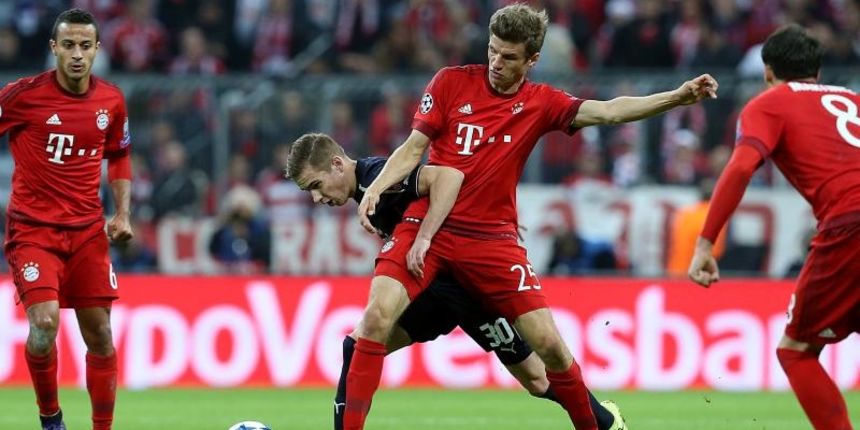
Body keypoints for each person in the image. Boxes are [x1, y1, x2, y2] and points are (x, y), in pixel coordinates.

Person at [351, 4, 717, 429]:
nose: (495, 63)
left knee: (550, 347)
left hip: (491, 240)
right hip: (428, 226)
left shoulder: (541, 103)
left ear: (532, 60)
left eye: (508, 57)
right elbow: (414, 147)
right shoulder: (450, 82)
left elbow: (611, 111)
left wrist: (678, 96)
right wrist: (377, 187)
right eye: (492, 51)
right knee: (375, 317)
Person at [285, 133, 626, 430]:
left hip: (469, 288)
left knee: (537, 380)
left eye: (316, 186)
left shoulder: (379, 176)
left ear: (336, 164)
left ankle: (605, 420)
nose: (317, 198)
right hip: (434, 292)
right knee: (358, 345)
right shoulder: (365, 193)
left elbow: (447, 178)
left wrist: (458, 234)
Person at [688, 25, 857, 430]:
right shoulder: (853, 99)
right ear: (817, 69)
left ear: (767, 72)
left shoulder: (770, 104)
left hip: (849, 223)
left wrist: (705, 243)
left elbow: (742, 166)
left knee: (796, 351)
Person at [0, 9, 133, 430]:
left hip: (88, 233)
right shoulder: (22, 96)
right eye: (69, 45)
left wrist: (123, 212)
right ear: (54, 48)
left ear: (98, 49)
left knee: (101, 337)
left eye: (85, 46)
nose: (77, 54)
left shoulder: (110, 100)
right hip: (33, 232)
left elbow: (119, 154)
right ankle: (51, 418)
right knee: (44, 324)